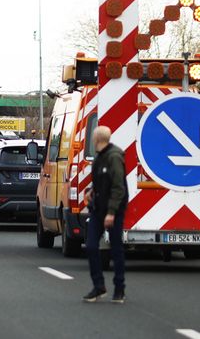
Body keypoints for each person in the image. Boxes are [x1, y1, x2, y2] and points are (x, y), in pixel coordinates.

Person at [83, 125, 127, 304]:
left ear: (97, 139)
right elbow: (102, 180)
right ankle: (99, 286)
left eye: (93, 137)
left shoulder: (114, 157)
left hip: (113, 210)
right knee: (92, 245)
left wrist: (111, 212)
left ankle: (119, 288)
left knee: (116, 248)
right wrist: (92, 191)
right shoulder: (99, 157)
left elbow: (118, 187)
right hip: (98, 208)